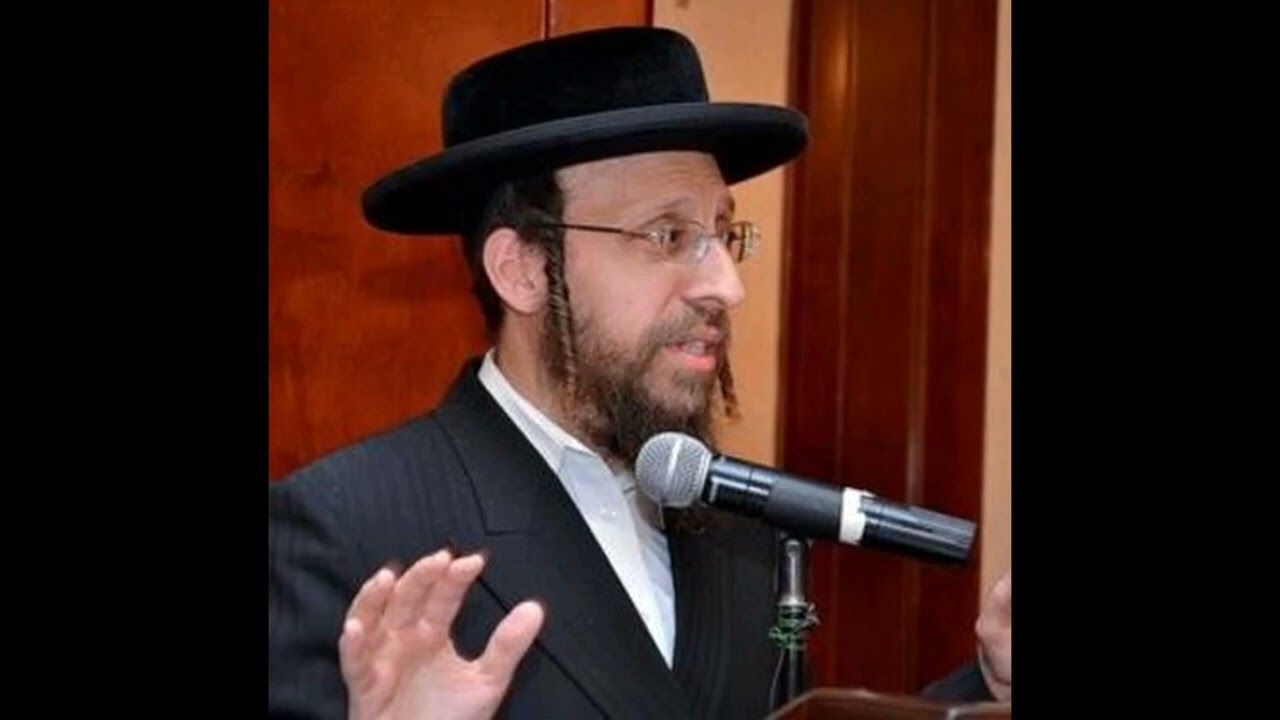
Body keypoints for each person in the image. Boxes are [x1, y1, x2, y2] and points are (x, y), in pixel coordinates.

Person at [268, 26, 1011, 720]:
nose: (726, 285)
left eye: (723, 231)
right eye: (667, 234)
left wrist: (991, 682)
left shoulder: (739, 529)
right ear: (523, 269)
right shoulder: (343, 530)